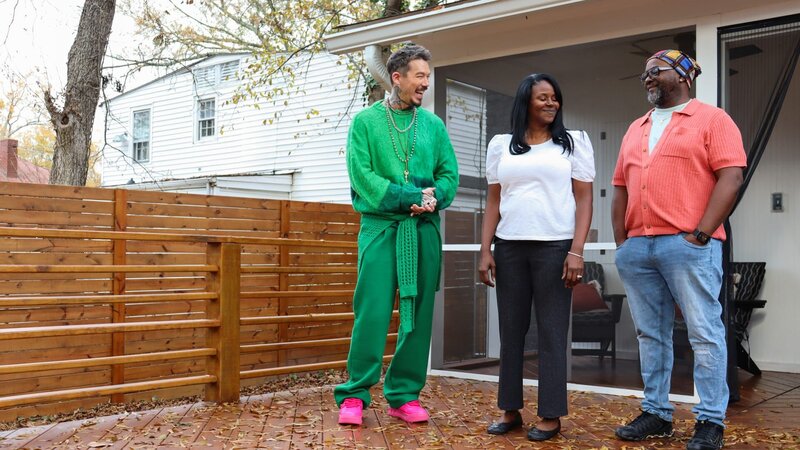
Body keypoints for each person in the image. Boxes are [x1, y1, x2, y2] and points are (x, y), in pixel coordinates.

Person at [612, 50, 746, 450]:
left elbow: (731, 177)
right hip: (639, 247)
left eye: (656, 70)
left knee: (704, 333)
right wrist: (623, 244)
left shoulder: (712, 119)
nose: (648, 77)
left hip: (688, 244)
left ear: (684, 77)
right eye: (645, 73)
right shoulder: (636, 127)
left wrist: (701, 234)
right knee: (650, 334)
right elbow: (620, 188)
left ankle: (710, 421)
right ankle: (656, 412)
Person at [334, 44, 459, 426]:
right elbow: (362, 177)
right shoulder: (365, 122)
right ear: (397, 77)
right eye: (420, 75)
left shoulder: (434, 126)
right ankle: (354, 394)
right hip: (381, 229)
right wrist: (408, 197)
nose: (426, 83)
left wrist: (431, 199)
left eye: (428, 76)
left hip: (423, 231)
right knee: (371, 311)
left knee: (418, 316)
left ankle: (404, 395)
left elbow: (449, 176)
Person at [478, 73, 594, 441]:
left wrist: (577, 250)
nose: (551, 103)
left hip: (555, 247)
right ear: (525, 102)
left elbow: (584, 199)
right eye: (543, 97)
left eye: (554, 97)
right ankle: (509, 408)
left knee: (552, 332)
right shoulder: (501, 145)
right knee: (511, 332)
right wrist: (485, 249)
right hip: (509, 247)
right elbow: (494, 201)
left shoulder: (572, 143)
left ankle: (550, 414)